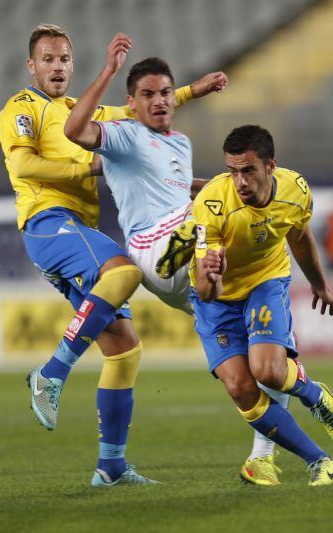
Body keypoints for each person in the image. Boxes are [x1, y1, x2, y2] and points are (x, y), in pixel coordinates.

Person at [0, 24, 224, 487]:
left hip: (79, 228)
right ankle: (51, 373)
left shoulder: (84, 109)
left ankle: (111, 467)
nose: (57, 67)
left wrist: (193, 91)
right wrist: (88, 165)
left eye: (64, 59)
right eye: (47, 59)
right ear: (31, 66)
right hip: (48, 220)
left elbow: (138, 107)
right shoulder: (21, 107)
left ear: (72, 64)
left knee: (124, 350)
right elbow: (22, 163)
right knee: (124, 271)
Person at [64, 41, 296, 486]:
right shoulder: (124, 135)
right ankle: (207, 242)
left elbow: (181, 188)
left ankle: (262, 457)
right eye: (148, 95)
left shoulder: (180, 143)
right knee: (222, 219)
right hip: (154, 249)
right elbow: (75, 129)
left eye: (166, 93)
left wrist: (224, 186)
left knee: (262, 363)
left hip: (193, 271)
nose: (159, 101)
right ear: (131, 102)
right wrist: (109, 69)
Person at [190, 125, 333, 487]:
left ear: (270, 166)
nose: (240, 181)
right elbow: (204, 291)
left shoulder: (296, 190)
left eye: (248, 170)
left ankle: (314, 395)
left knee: (267, 372)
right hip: (218, 297)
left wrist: (319, 284)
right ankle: (320, 460)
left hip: (265, 280)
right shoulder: (212, 205)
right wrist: (212, 275)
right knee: (240, 389)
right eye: (233, 171)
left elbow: (299, 235)